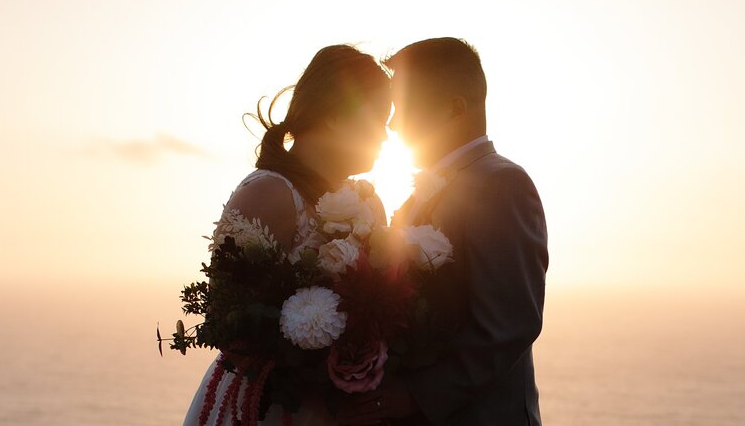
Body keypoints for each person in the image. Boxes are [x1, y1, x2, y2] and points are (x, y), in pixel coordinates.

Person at [337, 37, 549, 426]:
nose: (393, 124)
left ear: (455, 108)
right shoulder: (423, 193)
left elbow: (508, 326)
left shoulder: (502, 184)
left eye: (406, 108)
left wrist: (413, 396)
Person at [183, 44, 391, 426]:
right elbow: (226, 320)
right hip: (267, 406)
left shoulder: (367, 204)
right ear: (333, 115)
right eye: (378, 117)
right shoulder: (268, 194)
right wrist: (310, 358)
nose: (386, 134)